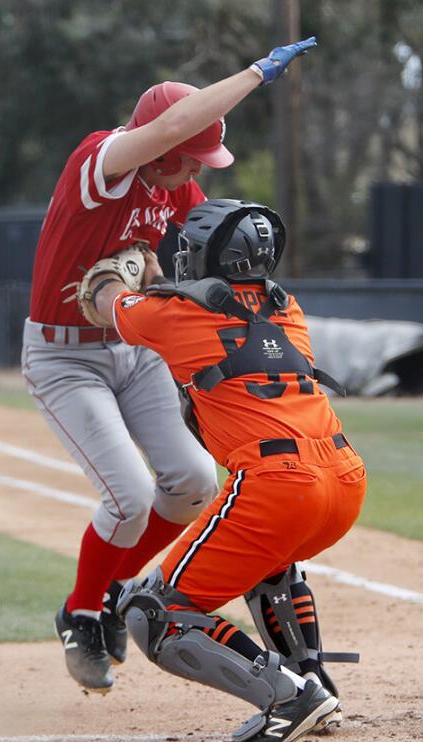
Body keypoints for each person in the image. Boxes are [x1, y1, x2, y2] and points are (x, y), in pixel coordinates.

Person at [25, 38, 320, 695]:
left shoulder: (176, 185)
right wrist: (256, 73)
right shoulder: (101, 161)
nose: (195, 169)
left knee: (191, 482)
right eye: (187, 156)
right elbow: (171, 127)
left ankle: (108, 592)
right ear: (157, 144)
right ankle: (80, 612)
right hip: (64, 354)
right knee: (128, 495)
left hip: (131, 348)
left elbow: (205, 254)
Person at [85, 199, 367, 742]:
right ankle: (314, 682)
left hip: (279, 484)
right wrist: (158, 281)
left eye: (191, 248)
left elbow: (108, 305)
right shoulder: (288, 309)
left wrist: (113, 273)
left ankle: (290, 698)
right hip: (345, 480)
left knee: (155, 614)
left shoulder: (176, 315)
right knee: (268, 564)